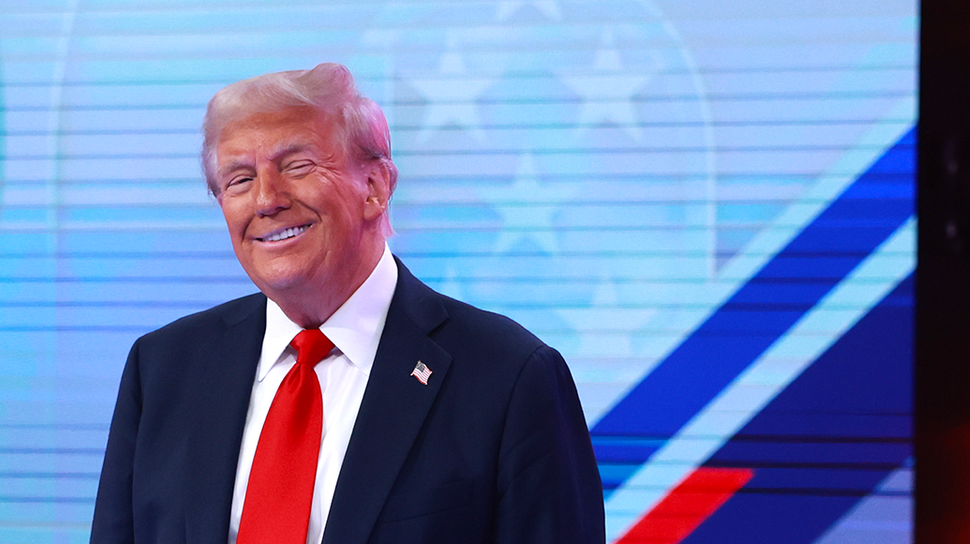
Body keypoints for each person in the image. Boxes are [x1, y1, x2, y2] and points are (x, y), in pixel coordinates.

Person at [90, 63, 605, 544]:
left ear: (375, 187)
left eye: (297, 166)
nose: (267, 199)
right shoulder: (163, 368)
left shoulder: (509, 376)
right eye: (240, 179)